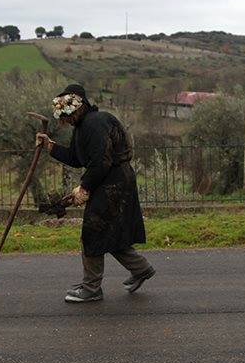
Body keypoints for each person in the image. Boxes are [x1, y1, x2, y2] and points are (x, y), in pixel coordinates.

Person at [35, 84, 155, 303]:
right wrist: (50, 147)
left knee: (93, 232)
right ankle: (141, 269)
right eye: (64, 115)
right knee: (109, 233)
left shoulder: (95, 123)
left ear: (80, 106)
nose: (67, 119)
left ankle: (91, 289)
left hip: (113, 183)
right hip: (111, 181)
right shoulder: (83, 127)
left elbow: (101, 162)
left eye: (69, 113)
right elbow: (75, 158)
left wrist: (85, 187)